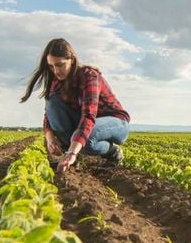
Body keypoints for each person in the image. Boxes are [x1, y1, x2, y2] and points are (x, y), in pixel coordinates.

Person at [20, 38, 130, 174]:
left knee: (86, 140)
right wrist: (50, 139)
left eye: (60, 65)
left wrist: (72, 152)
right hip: (91, 124)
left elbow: (89, 115)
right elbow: (49, 113)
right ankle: (72, 153)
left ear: (72, 59)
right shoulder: (56, 82)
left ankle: (112, 151)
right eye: (51, 66)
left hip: (116, 122)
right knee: (52, 102)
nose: (55, 71)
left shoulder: (89, 76)